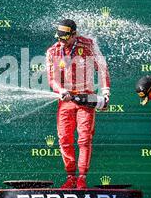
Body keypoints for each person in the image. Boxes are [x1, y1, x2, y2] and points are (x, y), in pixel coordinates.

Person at [46, 19, 110, 189]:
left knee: (84, 139)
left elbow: (102, 68)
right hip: (66, 99)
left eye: (65, 38)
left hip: (86, 98)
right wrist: (60, 91)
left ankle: (82, 177)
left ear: (74, 34)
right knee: (64, 139)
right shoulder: (52, 51)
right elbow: (51, 79)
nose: (62, 41)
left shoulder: (88, 45)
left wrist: (105, 92)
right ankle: (70, 177)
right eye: (59, 37)